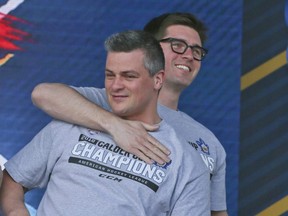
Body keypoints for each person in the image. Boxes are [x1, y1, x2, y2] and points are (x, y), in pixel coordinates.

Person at [32, 13, 227, 215]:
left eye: (197, 50)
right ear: (150, 49)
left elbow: (217, 213)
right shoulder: (106, 101)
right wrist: (114, 125)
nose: (188, 55)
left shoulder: (210, 144)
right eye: (177, 45)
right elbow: (43, 94)